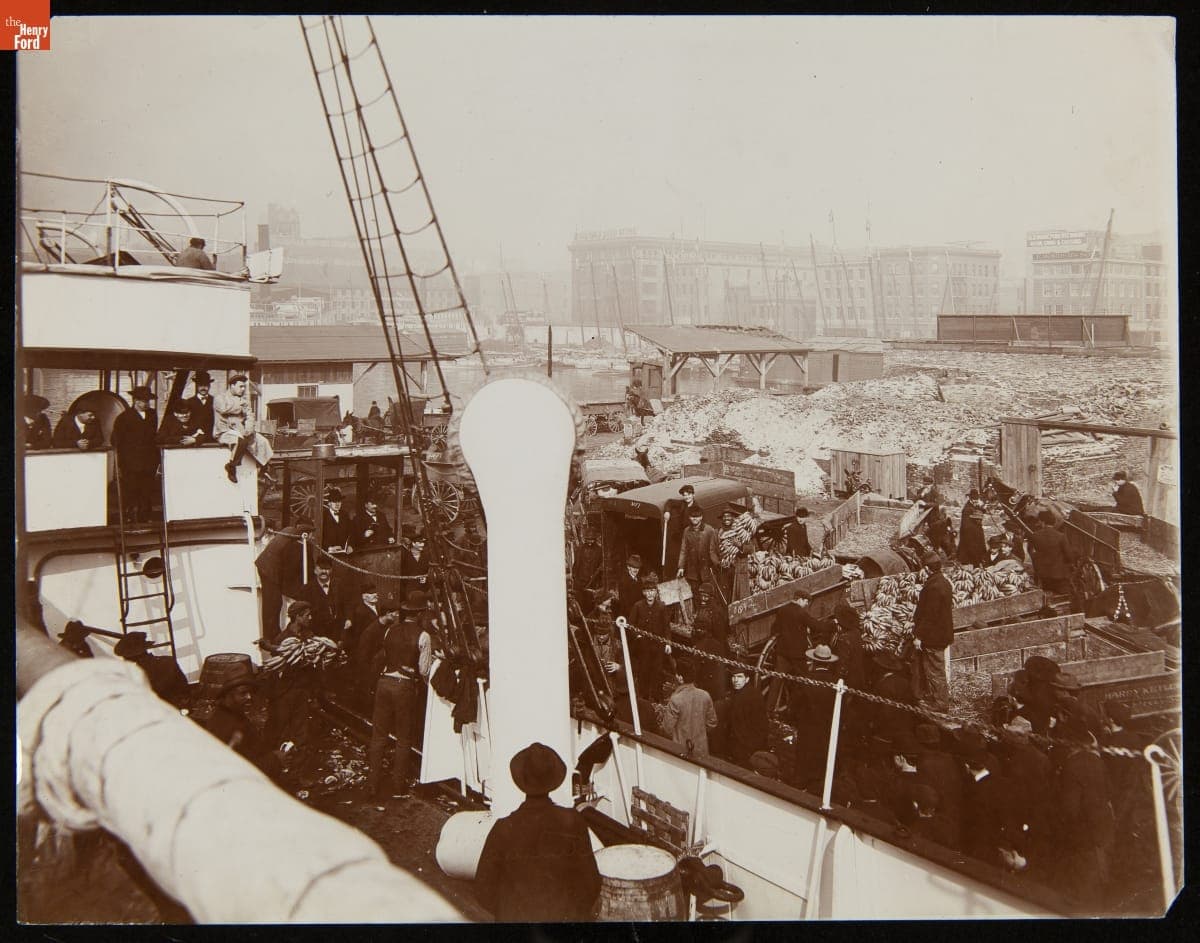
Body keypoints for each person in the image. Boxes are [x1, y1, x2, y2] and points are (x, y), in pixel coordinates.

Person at [474, 742, 601, 922]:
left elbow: (483, 888)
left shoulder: (504, 828)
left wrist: (511, 911)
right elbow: (591, 883)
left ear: (521, 780)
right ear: (553, 780)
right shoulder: (573, 822)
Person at [366, 589, 433, 801]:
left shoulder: (390, 630)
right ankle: (397, 786)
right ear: (421, 613)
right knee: (403, 738)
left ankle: (373, 784)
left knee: (379, 736)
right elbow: (424, 670)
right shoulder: (424, 636)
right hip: (404, 687)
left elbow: (384, 655)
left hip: (384, 682)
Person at [202, 666, 282, 781]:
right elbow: (237, 772)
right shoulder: (225, 726)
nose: (249, 697)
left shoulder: (233, 714)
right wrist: (275, 759)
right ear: (228, 695)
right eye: (243, 693)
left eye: (250, 692)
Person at [254, 518, 314, 644]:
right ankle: (270, 637)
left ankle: (272, 635)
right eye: (311, 533)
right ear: (305, 533)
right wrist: (295, 592)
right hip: (269, 570)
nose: (312, 537)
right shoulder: (294, 542)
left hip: (268, 567)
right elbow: (289, 568)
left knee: (274, 603)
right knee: (273, 603)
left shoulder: (289, 532)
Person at [110, 385, 161, 523]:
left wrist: (156, 459)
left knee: (147, 489)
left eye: (148, 401)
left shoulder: (152, 414)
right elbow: (116, 440)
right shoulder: (124, 417)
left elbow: (153, 436)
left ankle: (145, 516)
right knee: (131, 489)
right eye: (143, 401)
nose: (146, 403)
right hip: (130, 461)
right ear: (136, 401)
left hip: (149, 460)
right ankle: (129, 516)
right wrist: (120, 463)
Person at [767, 589, 822, 712]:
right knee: (805, 681)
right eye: (806, 602)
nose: (806, 605)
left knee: (776, 681)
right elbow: (816, 625)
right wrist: (832, 626)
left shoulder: (782, 610)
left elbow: (775, 628)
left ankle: (768, 710)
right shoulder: (801, 613)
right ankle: (807, 709)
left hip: (782, 654)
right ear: (800, 599)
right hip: (797, 656)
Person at [911, 553, 953, 712]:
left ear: (927, 569)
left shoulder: (934, 587)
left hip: (934, 637)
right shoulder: (943, 581)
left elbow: (930, 616)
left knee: (935, 670)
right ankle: (935, 697)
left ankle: (940, 703)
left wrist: (918, 636)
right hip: (940, 634)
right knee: (934, 668)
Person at [214, 373, 273, 484]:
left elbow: (250, 415)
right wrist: (241, 405)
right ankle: (231, 466)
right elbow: (224, 409)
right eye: (240, 386)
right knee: (240, 441)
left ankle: (262, 469)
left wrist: (249, 428)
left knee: (262, 441)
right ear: (232, 385)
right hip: (225, 430)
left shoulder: (244, 401)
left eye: (244, 387)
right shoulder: (220, 398)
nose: (243, 389)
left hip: (241, 429)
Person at [114, 631, 189, 708]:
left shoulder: (136, 674)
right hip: (179, 708)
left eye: (125, 656)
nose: (124, 659)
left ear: (131, 657)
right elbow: (184, 686)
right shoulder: (168, 660)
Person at [661, 661, 719, 758]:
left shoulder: (676, 699)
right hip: (701, 750)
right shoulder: (705, 696)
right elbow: (712, 722)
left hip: (680, 750)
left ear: (680, 677)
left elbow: (667, 728)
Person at [725, 667, 769, 766]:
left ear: (747, 679)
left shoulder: (750, 696)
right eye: (733, 677)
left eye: (740, 677)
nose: (735, 680)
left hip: (746, 746)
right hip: (743, 743)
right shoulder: (743, 693)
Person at [1027, 510, 1075, 595]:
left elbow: (1030, 551)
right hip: (1060, 575)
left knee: (1046, 596)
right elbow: (1069, 556)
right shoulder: (1061, 536)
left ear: (1042, 522)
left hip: (1043, 575)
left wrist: (1037, 563)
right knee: (1063, 597)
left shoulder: (1034, 536)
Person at [676, 505, 720, 593]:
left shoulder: (709, 530)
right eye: (692, 517)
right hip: (692, 568)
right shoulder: (687, 531)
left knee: (708, 591)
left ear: (701, 517)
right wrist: (681, 567)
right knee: (694, 591)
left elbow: (713, 550)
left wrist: (717, 564)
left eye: (697, 516)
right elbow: (683, 550)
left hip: (706, 567)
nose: (694, 519)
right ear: (689, 517)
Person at [303, 558, 344, 643]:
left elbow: (349, 605)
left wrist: (349, 619)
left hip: (338, 633)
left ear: (331, 570)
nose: (324, 571)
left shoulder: (340, 585)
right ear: (315, 570)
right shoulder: (307, 589)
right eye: (321, 568)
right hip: (317, 635)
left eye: (327, 569)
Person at [956, 491, 988, 567]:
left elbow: (982, 510)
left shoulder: (975, 505)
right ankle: (973, 562)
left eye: (977, 499)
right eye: (974, 499)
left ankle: (979, 560)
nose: (975, 501)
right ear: (970, 498)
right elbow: (965, 524)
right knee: (971, 547)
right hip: (969, 532)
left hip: (977, 530)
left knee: (979, 546)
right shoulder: (966, 509)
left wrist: (983, 508)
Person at [184, 371, 216, 440]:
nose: (203, 388)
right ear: (197, 386)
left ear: (209, 386)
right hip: (194, 437)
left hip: (211, 438)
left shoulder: (215, 401)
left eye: (206, 385)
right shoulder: (189, 402)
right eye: (201, 385)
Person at [615, 553, 643, 620]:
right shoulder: (624, 580)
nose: (636, 570)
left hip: (637, 611)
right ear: (628, 567)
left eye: (637, 567)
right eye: (633, 567)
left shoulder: (639, 579)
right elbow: (624, 601)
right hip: (627, 613)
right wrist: (634, 613)